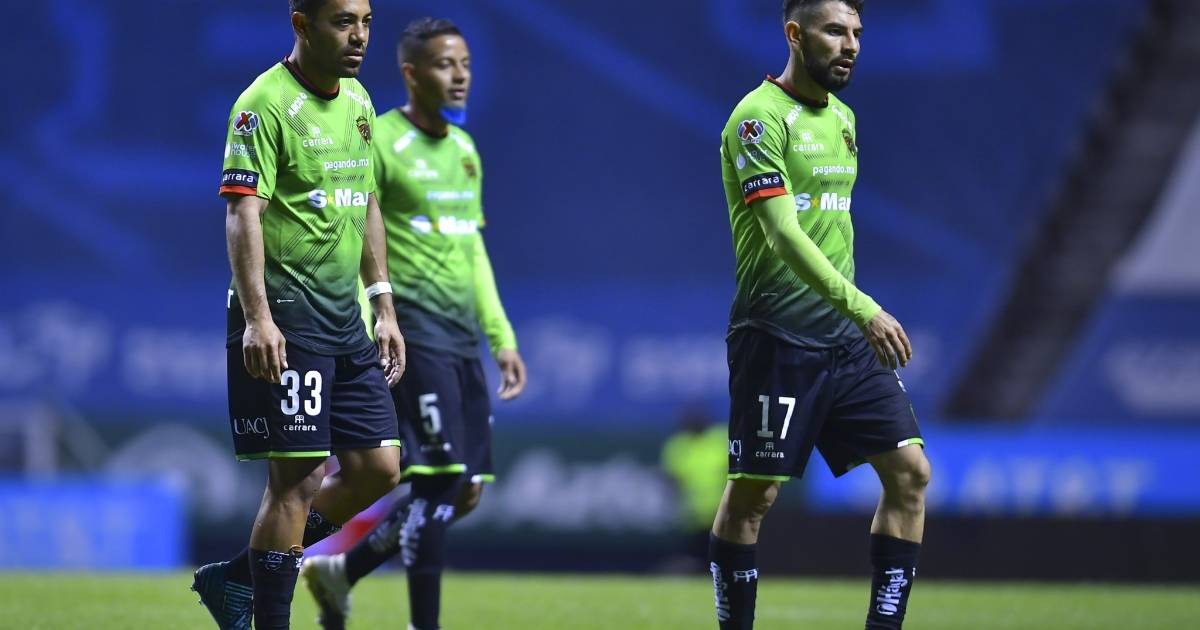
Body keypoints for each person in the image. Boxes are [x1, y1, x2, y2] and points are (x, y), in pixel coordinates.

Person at [710, 1, 931, 628]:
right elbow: (783, 235)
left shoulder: (843, 119)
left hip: (846, 338)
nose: (850, 44)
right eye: (835, 31)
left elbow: (835, 229)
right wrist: (866, 307)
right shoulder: (757, 119)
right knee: (755, 497)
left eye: (857, 32)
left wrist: (854, 315)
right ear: (794, 33)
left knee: (910, 474)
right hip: (776, 335)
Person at [301, 17, 527, 630]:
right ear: (411, 73)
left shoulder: (465, 152)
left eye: (466, 65)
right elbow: (354, 232)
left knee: (465, 490)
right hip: (413, 334)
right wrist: (370, 323)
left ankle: (339, 572)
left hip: (460, 339)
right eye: (445, 65)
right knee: (441, 478)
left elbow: (472, 250)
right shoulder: (380, 140)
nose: (460, 76)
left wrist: (501, 336)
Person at [190, 1, 407, 628]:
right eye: (343, 22)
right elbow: (242, 214)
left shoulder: (359, 100)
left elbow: (365, 203)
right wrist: (258, 319)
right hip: (286, 320)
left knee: (378, 470)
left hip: (347, 323)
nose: (359, 36)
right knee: (298, 480)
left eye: (366, 21)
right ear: (301, 23)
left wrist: (383, 303)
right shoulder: (262, 105)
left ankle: (239, 575)